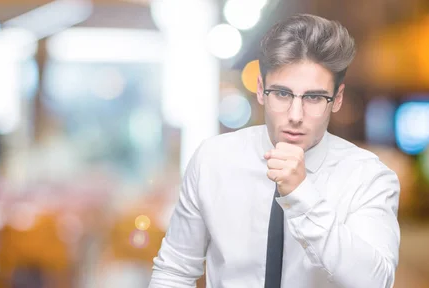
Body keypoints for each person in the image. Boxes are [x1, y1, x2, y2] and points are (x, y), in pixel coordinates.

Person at [149, 14, 400, 288]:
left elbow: (376, 282)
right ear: (260, 89)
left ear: (337, 99)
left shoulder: (368, 176)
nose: (295, 115)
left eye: (314, 97)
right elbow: (174, 271)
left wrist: (302, 195)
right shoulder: (212, 160)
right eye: (282, 94)